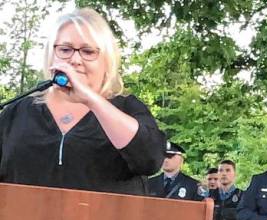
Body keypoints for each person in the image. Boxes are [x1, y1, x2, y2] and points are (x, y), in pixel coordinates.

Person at [0, 8, 164, 194]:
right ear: (51, 55)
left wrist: (91, 100)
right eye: (65, 50)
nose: (75, 59)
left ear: (106, 61)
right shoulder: (17, 112)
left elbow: (150, 159)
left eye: (88, 51)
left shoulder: (127, 107)